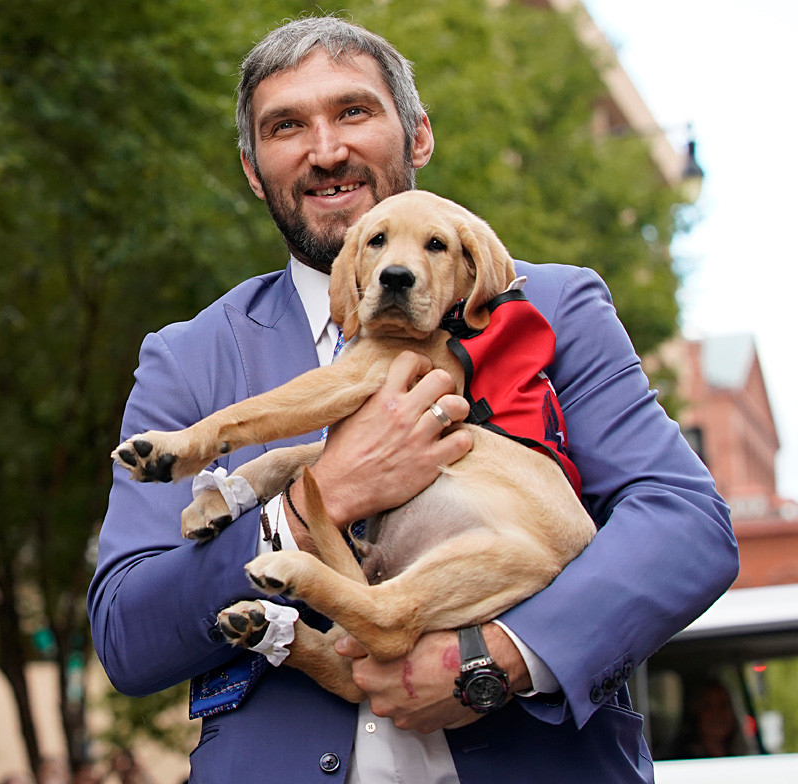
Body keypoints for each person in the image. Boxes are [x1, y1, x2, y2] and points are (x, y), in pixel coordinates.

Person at [87, 14, 739, 784]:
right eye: (287, 125)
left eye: (354, 111)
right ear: (254, 169)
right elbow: (128, 634)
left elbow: (687, 525)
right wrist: (306, 508)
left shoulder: (549, 306)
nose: (325, 150)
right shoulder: (188, 358)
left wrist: (494, 659)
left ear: (418, 136)